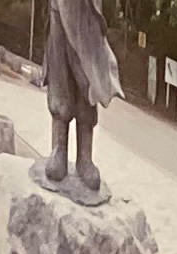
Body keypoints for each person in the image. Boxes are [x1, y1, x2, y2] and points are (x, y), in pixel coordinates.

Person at [35, 0, 121, 203]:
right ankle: (59, 149)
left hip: (88, 14)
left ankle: (85, 157)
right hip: (58, 9)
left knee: (87, 79)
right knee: (59, 75)